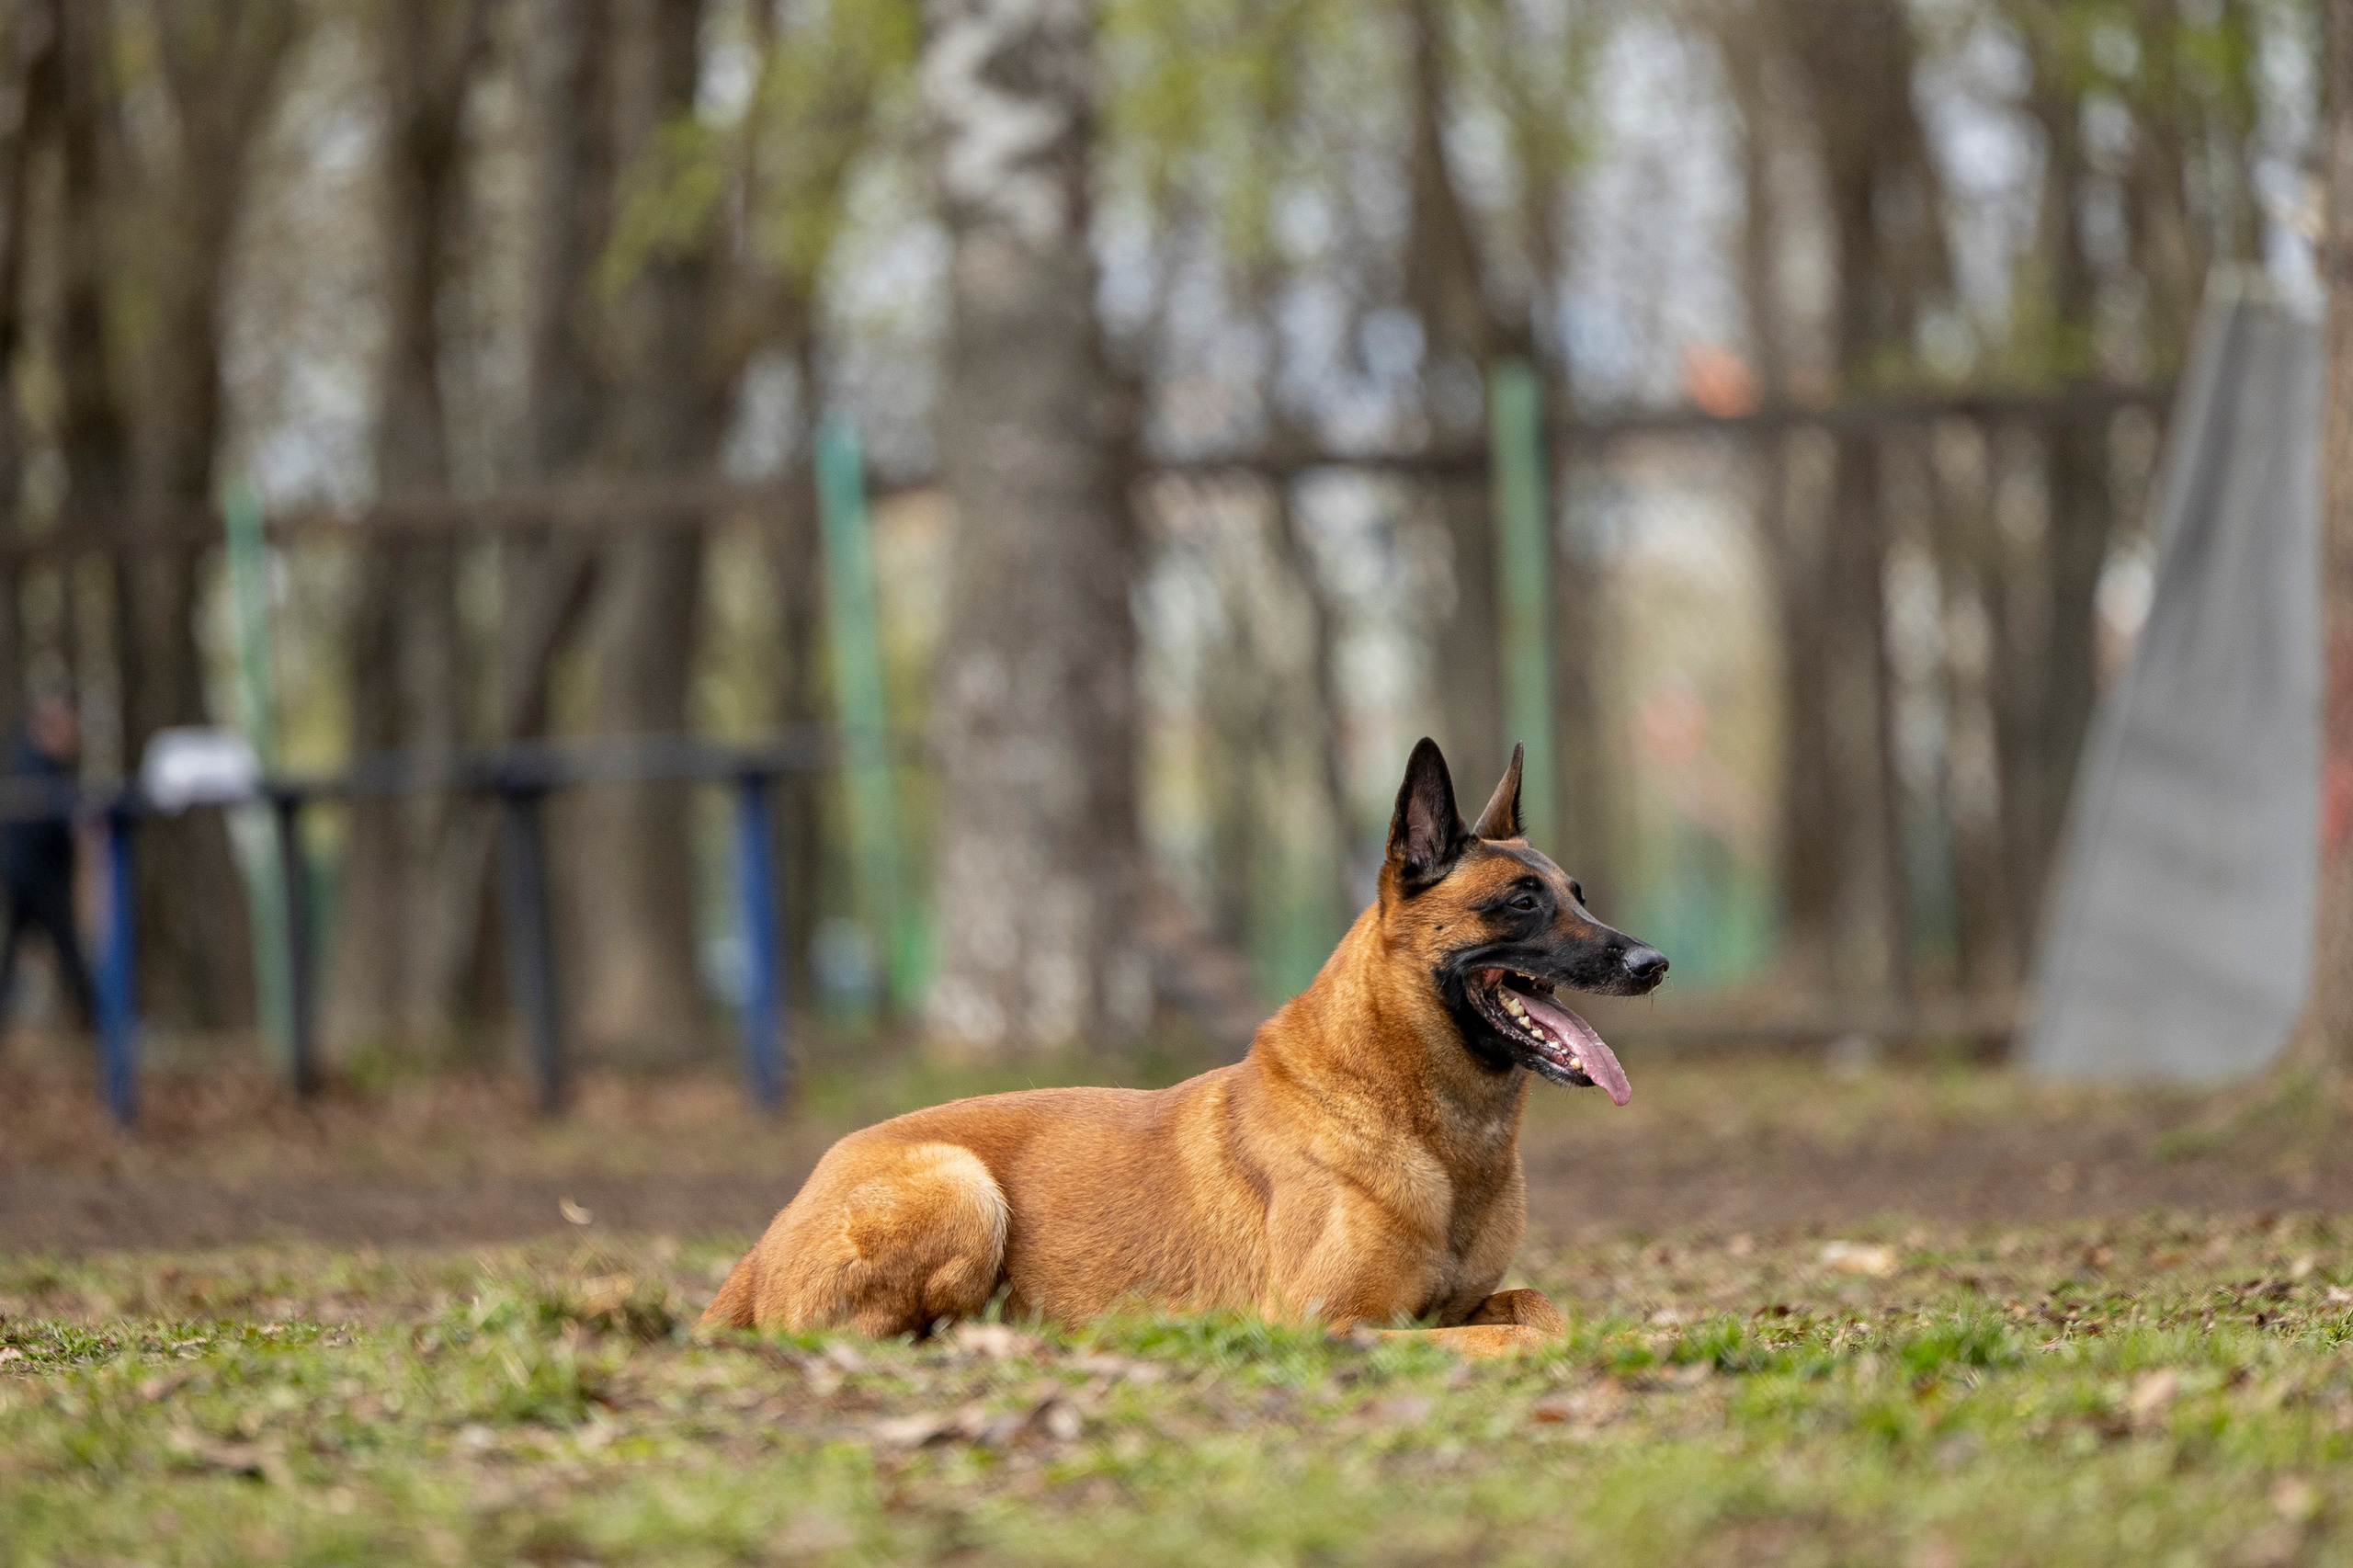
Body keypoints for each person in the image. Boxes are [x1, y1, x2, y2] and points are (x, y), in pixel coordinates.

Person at [0, 696, 92, 1029]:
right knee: (67, 953)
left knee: (21, 957)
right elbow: (50, 822)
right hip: (36, 880)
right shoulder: (33, 766)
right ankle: (97, 1025)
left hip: (33, 877)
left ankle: (95, 1023)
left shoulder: (39, 765)